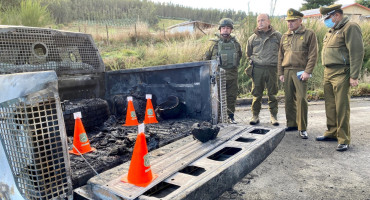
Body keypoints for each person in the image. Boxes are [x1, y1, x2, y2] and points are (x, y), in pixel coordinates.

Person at [316, 4, 364, 151]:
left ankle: (343, 139)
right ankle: (332, 132)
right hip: (328, 72)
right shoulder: (331, 31)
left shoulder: (350, 27)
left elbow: (357, 52)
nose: (326, 21)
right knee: (330, 105)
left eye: (328, 17)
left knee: (341, 107)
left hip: (342, 72)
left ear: (337, 15)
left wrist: (354, 76)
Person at [278, 8, 318, 139]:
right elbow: (280, 56)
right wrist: (281, 72)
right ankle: (292, 124)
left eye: (293, 21)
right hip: (287, 70)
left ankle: (302, 127)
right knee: (289, 99)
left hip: (301, 71)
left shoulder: (309, 34)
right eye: (288, 21)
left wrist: (308, 71)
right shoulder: (285, 36)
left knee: (301, 99)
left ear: (300, 21)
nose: (289, 23)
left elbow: (313, 54)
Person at [246, 14, 282, 126]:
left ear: (269, 21)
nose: (260, 23)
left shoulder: (277, 36)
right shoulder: (252, 38)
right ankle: (255, 116)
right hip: (258, 69)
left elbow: (283, 52)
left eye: (262, 20)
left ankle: (274, 116)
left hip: (272, 69)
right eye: (258, 21)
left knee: (273, 94)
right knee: (256, 94)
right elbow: (248, 54)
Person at [205, 18, 242, 124]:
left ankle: (231, 116)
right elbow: (206, 60)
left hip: (232, 74)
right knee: (218, 98)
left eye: (228, 28)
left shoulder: (236, 44)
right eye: (223, 28)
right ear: (220, 30)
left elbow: (239, 56)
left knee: (231, 97)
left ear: (231, 30)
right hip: (218, 76)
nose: (225, 30)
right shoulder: (213, 45)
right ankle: (219, 118)